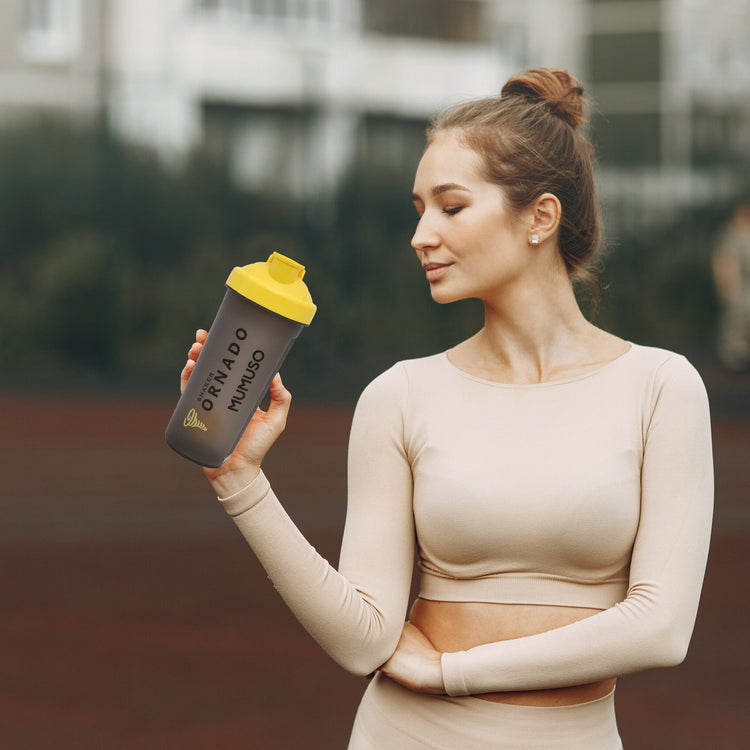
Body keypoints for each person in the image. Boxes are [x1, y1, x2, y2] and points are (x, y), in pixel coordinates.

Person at [181, 68, 713, 749]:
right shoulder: (400, 396)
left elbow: (662, 627)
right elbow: (363, 638)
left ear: (540, 218)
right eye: (418, 209)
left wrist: (452, 671)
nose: (421, 235)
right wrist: (239, 480)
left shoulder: (662, 388)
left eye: (451, 207)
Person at [712, 201, 750, 371]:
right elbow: (724, 260)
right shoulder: (731, 235)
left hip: (744, 285)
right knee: (735, 320)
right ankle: (734, 356)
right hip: (737, 286)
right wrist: (725, 283)